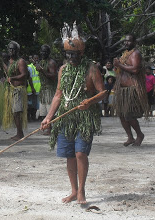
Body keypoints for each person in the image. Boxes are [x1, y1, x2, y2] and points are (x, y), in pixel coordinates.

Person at [41, 22, 106, 204]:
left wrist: (89, 101)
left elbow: (103, 92)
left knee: (80, 154)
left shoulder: (91, 68)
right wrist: (48, 117)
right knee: (69, 155)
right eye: (68, 54)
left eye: (74, 54)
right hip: (67, 117)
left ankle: (82, 192)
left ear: (82, 53)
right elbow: (58, 95)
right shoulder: (63, 70)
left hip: (85, 117)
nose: (71, 58)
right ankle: (73, 190)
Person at [113, 33, 148, 146]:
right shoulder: (125, 54)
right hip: (122, 90)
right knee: (122, 114)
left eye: (128, 41)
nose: (126, 43)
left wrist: (120, 65)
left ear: (134, 42)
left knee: (129, 114)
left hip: (131, 89)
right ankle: (130, 137)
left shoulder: (135, 54)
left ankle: (139, 134)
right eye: (125, 41)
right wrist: (117, 66)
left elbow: (135, 70)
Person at [3, 41, 29, 140]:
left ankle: (20, 133)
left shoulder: (20, 61)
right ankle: (19, 132)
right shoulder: (9, 62)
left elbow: (24, 74)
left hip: (18, 90)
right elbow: (8, 73)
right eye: (10, 49)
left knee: (17, 111)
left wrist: (12, 78)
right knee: (14, 112)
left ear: (17, 50)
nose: (11, 51)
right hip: (11, 90)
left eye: (13, 49)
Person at [36, 45, 58, 133]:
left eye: (45, 51)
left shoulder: (51, 62)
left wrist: (42, 71)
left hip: (50, 89)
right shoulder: (41, 62)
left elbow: (53, 76)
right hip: (43, 89)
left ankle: (54, 129)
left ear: (48, 52)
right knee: (43, 111)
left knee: (51, 110)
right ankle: (48, 128)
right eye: (42, 51)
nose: (43, 53)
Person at [27, 55, 40, 121]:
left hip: (37, 89)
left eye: (37, 58)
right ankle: (28, 117)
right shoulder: (29, 67)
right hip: (30, 89)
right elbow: (29, 78)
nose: (36, 59)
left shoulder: (39, 67)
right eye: (35, 58)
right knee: (29, 104)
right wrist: (32, 88)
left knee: (35, 104)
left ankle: (33, 117)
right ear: (32, 59)